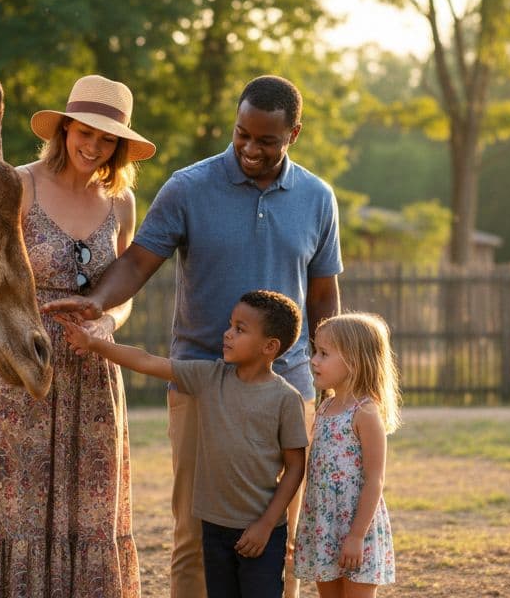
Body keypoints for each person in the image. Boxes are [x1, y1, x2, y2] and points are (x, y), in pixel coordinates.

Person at [44, 74, 342, 598]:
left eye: (265, 140)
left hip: (289, 388)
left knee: (283, 534)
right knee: (195, 535)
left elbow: (322, 297)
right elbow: (138, 261)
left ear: (293, 134)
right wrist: (96, 301)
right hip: (203, 385)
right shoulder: (188, 186)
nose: (250, 148)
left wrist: (332, 376)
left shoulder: (318, 198)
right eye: (241, 134)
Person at [0, 75, 156, 598]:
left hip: (94, 368)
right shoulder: (20, 184)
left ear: (119, 147)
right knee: (17, 502)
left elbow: (124, 288)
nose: (93, 145)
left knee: (89, 504)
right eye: (84, 132)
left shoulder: (122, 202)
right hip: (22, 363)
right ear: (64, 128)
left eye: (107, 138)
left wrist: (107, 323)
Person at [59, 289, 310, 598]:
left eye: (240, 330)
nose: (227, 334)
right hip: (214, 526)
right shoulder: (209, 377)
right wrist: (94, 343)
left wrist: (266, 525)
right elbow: (148, 362)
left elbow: (296, 468)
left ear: (269, 347)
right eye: (231, 325)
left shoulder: (287, 399)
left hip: (262, 532)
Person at [294, 313, 401, 597]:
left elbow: (374, 480)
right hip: (324, 526)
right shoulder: (325, 407)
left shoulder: (365, 412)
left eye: (324, 354)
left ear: (354, 361)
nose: (314, 360)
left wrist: (356, 536)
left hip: (356, 526)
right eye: (315, 351)